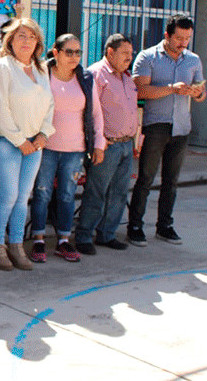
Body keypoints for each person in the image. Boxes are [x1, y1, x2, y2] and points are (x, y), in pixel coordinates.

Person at [127, 14, 206, 246]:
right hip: (155, 126)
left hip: (181, 127)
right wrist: (172, 89)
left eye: (187, 38)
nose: (183, 43)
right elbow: (140, 90)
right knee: (146, 179)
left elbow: (202, 92)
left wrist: (196, 93)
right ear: (167, 35)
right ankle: (135, 226)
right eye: (179, 38)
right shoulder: (147, 57)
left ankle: (165, 226)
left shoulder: (193, 60)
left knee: (171, 181)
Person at [28, 34, 105, 263]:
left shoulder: (85, 78)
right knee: (41, 193)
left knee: (67, 195)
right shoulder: (42, 75)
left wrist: (99, 143)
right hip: (46, 146)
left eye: (78, 52)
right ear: (56, 52)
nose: (74, 57)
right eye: (69, 52)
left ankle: (63, 239)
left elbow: (96, 114)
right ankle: (39, 239)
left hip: (75, 149)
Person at [0, 18, 54, 271]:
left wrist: (44, 134)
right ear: (10, 40)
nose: (26, 41)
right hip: (8, 142)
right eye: (20, 36)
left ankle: (16, 245)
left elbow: (50, 105)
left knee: (22, 198)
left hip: (35, 144)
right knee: (7, 196)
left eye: (31, 36)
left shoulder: (41, 69)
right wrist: (20, 140)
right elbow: (0, 108)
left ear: (38, 43)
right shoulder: (2, 67)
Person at [74, 34, 137, 255]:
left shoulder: (127, 77)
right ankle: (83, 236)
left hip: (126, 144)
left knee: (119, 193)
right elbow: (90, 112)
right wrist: (98, 143)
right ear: (110, 52)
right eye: (125, 53)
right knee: (96, 192)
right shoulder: (96, 74)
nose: (130, 57)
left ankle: (107, 234)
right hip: (106, 146)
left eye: (131, 53)